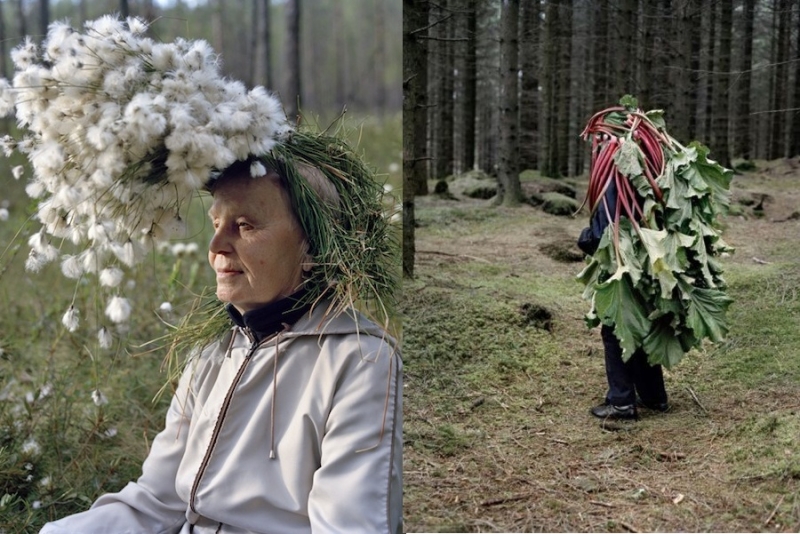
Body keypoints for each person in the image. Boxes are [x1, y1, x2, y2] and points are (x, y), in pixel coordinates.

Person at [40, 133, 403, 534]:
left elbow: (349, 526)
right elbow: (156, 504)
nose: (215, 246)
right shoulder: (214, 352)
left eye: (244, 225)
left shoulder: (360, 363)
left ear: (312, 249)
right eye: (216, 223)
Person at [578, 179, 669, 421]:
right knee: (643, 324)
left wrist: (585, 238)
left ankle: (621, 404)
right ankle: (654, 396)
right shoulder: (651, 170)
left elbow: (602, 235)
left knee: (616, 329)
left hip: (626, 263)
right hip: (655, 260)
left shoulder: (613, 179)